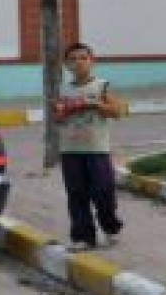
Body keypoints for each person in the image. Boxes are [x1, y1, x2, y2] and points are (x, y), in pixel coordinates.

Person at [52, 41, 126, 252]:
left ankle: (110, 226)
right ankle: (83, 237)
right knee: (76, 194)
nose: (78, 63)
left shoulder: (102, 85)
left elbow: (117, 112)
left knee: (103, 191)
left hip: (97, 149)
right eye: (73, 59)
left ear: (92, 61)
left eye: (83, 58)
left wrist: (94, 104)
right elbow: (57, 117)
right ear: (66, 64)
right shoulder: (63, 89)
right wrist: (66, 110)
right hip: (71, 150)